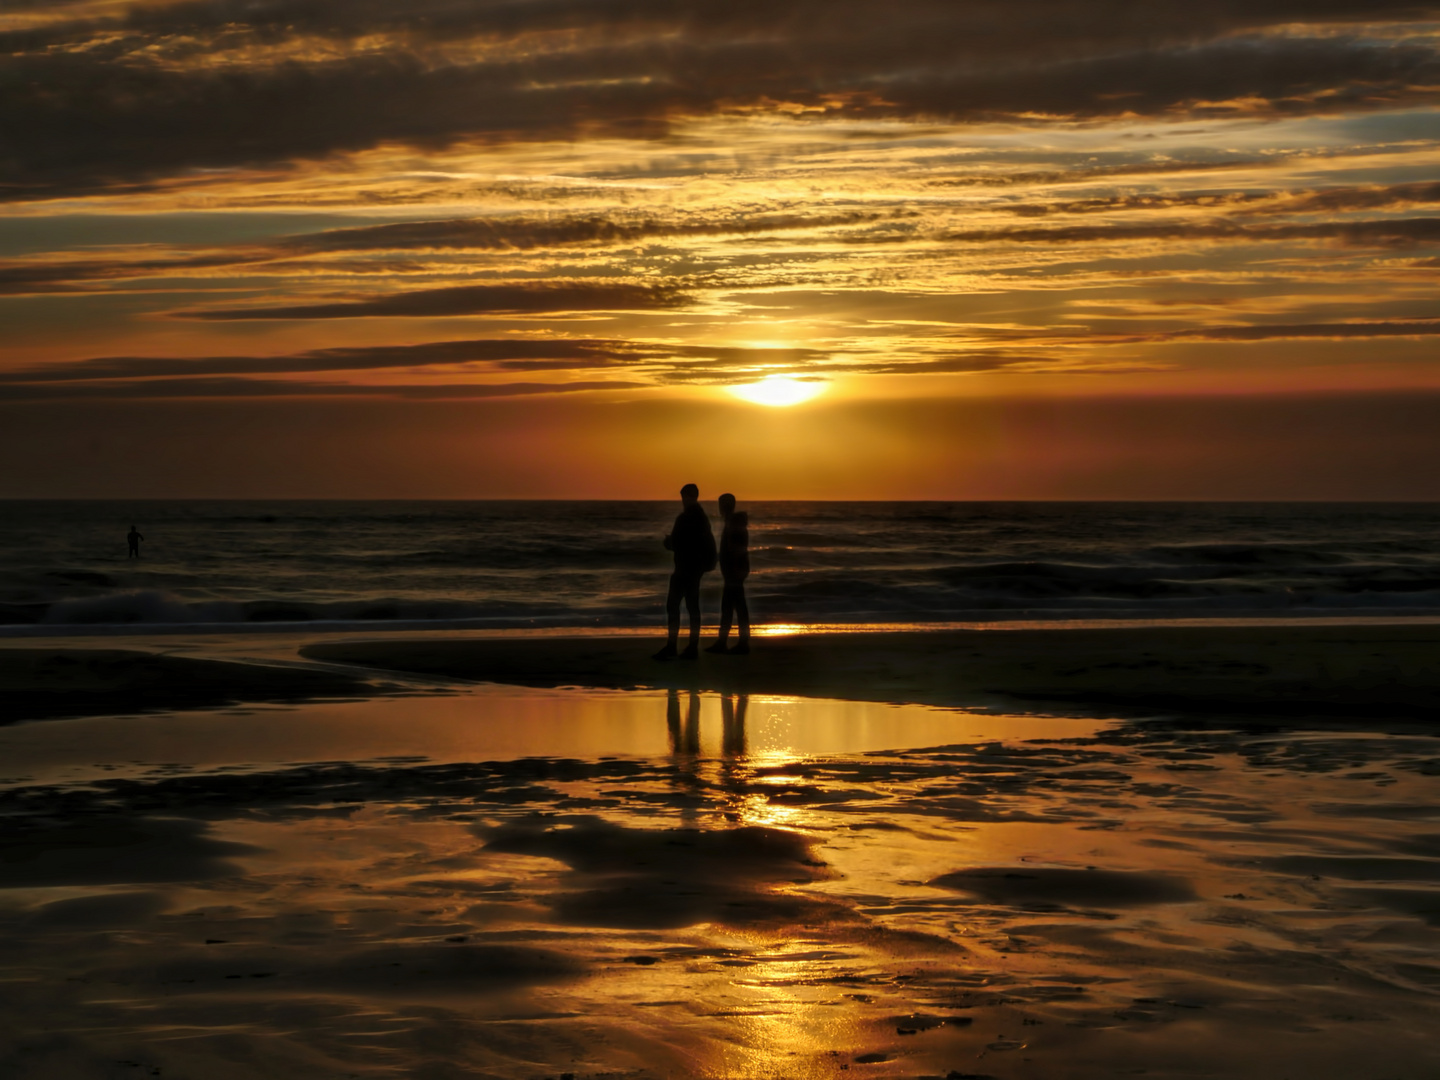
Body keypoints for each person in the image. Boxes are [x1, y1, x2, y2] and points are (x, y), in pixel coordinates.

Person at [654, 483, 716, 660]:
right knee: (692, 606)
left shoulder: (686, 518)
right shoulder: (702, 517)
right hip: (694, 568)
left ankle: (674, 647)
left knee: (674, 606)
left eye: (685, 496)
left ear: (689, 496)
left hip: (685, 568)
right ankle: (691, 647)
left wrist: (669, 543)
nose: (683, 500)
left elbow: (679, 543)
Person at [706, 493, 751, 654]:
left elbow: (735, 549)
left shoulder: (734, 523)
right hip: (734, 571)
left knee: (734, 607)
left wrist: (730, 566)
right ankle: (728, 641)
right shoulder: (732, 522)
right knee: (731, 607)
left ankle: (739, 642)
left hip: (734, 572)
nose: (719, 508)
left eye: (720, 505)